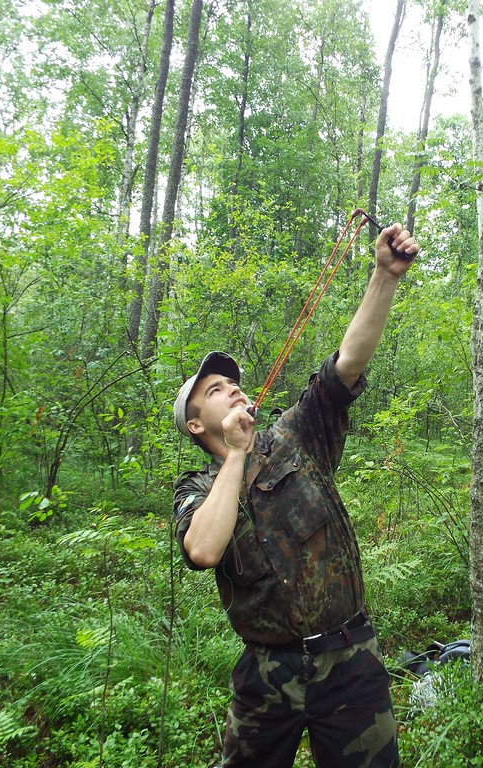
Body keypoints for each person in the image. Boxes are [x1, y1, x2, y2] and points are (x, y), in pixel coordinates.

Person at [172, 223, 420, 768]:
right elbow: (204, 550)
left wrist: (384, 276)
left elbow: (346, 365)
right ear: (195, 425)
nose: (233, 389)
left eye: (233, 383)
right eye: (215, 390)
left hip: (351, 662)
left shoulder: (295, 435)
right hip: (267, 676)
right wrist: (236, 456)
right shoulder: (196, 489)